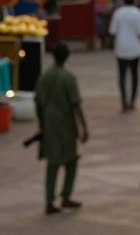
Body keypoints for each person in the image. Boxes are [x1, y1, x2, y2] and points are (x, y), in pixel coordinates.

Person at [34, 42, 89, 215]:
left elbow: (38, 101)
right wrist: (84, 127)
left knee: (52, 162)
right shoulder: (68, 77)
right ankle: (65, 195)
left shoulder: (45, 76)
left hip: (49, 123)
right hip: (65, 124)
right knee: (70, 160)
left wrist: (41, 123)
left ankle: (49, 200)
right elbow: (76, 104)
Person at [109, 0, 140, 112]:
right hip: (135, 48)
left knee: (122, 76)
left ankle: (123, 100)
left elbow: (112, 30)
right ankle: (132, 100)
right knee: (134, 74)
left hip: (121, 47)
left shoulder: (118, 13)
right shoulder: (138, 13)